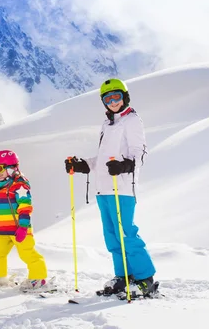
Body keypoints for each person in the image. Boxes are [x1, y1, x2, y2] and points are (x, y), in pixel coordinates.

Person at [65, 78, 157, 296]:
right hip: (104, 188)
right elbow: (103, 158)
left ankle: (146, 279)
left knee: (126, 233)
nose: (113, 101)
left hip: (122, 187)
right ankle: (123, 275)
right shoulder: (108, 123)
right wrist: (83, 165)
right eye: (108, 98)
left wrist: (125, 165)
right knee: (112, 236)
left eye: (117, 96)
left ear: (125, 97)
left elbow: (140, 152)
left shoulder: (132, 120)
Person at [0, 149, 49, 291]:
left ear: (11, 167)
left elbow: (25, 207)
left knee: (27, 253)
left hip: (19, 229)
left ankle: (38, 279)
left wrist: (23, 226)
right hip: (2, 230)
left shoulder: (19, 185)